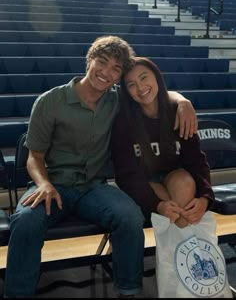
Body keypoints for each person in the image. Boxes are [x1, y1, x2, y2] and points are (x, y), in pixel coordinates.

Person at [4, 36, 198, 298]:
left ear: (119, 76)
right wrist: (44, 183)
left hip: (94, 187)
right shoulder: (50, 101)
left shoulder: (117, 101)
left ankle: (129, 290)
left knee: (129, 216)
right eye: (102, 62)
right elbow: (34, 157)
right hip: (52, 185)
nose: (107, 72)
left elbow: (149, 94)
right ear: (89, 60)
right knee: (25, 222)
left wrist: (183, 101)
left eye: (116, 69)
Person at [111, 56, 215, 228]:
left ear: (156, 76)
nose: (140, 87)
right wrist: (158, 205)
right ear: (126, 91)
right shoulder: (123, 122)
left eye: (144, 77)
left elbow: (196, 161)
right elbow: (127, 176)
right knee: (177, 211)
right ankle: (186, 251)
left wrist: (205, 198)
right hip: (143, 184)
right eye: (131, 84)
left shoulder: (179, 113)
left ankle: (176, 251)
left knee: (184, 182)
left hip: (174, 178)